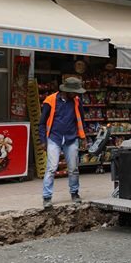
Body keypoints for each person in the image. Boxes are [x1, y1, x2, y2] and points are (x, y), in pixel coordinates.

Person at [39, 76, 87, 208]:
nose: (77, 94)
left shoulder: (76, 101)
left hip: (71, 138)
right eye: (75, 92)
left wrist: (83, 137)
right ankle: (47, 196)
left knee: (73, 168)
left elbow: (81, 120)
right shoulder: (50, 101)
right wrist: (43, 140)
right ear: (68, 91)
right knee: (52, 168)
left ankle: (74, 193)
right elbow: (42, 123)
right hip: (54, 138)